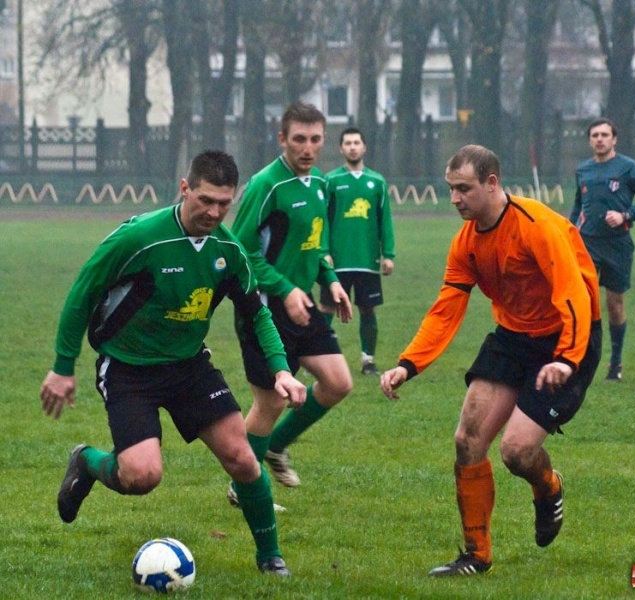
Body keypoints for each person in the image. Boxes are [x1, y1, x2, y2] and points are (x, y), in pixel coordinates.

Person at [40, 150, 307, 577]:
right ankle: (88, 461)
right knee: (142, 476)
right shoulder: (140, 237)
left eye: (224, 203)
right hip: (129, 368)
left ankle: (270, 558)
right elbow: (83, 292)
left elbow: (256, 311)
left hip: (189, 366)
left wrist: (280, 369)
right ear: (184, 188)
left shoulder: (228, 249)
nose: (214, 211)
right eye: (205, 199)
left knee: (241, 456)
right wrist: (62, 365)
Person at [380, 145, 602, 577]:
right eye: (450, 189)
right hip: (513, 337)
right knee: (467, 440)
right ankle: (476, 556)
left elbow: (572, 293)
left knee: (517, 452)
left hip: (566, 339)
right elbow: (446, 308)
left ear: (492, 183)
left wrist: (567, 359)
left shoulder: (535, 225)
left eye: (464, 189)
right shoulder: (466, 241)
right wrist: (408, 364)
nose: (455, 199)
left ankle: (548, 487)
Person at [229, 101, 353, 491]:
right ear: (282, 139)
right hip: (265, 308)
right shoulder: (266, 185)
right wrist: (285, 289)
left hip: (303, 304)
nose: (308, 148)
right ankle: (243, 484)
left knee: (338, 383)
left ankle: (276, 447)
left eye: (315, 139)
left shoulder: (319, 184)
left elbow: (315, 244)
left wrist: (329, 278)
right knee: (271, 403)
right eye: (299, 139)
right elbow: (241, 252)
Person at [571, 117, 635, 381]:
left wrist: (626, 215)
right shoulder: (582, 170)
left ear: (614, 139)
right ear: (589, 140)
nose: (599, 139)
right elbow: (578, 206)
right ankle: (577, 360)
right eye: (595, 135)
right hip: (587, 244)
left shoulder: (628, 168)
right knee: (582, 303)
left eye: (604, 134)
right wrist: (569, 232)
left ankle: (615, 363)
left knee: (614, 305)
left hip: (618, 245)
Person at [320, 126, 395, 376]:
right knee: (328, 308)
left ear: (364, 147)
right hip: (337, 262)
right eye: (348, 143)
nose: (352, 147)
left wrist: (389, 255)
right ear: (341, 148)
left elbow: (385, 221)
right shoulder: (331, 181)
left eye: (356, 142)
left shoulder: (377, 182)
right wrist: (324, 251)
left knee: (367, 309)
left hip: (367, 261)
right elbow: (322, 219)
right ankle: (317, 356)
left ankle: (368, 361)